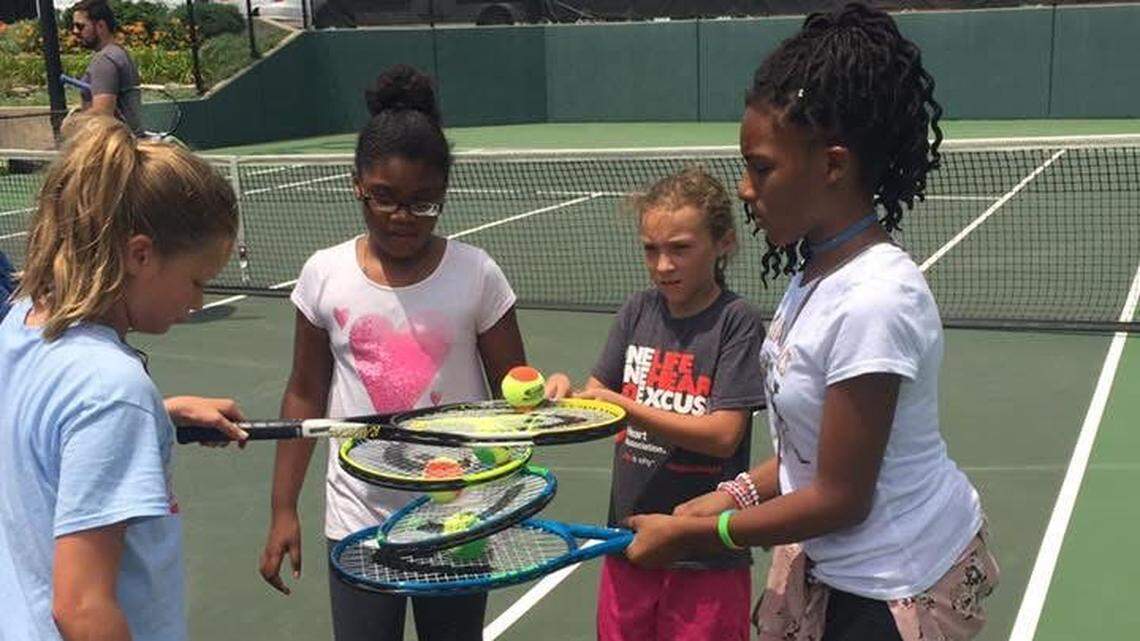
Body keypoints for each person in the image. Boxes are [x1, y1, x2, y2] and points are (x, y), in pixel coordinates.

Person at [620, 5, 999, 641]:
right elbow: (809, 451)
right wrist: (735, 493)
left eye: (761, 166)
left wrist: (698, 532)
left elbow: (841, 497)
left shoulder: (875, 299)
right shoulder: (813, 274)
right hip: (834, 567)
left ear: (833, 165)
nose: (744, 188)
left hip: (896, 585)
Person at [258, 65, 526, 641]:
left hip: (458, 515)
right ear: (357, 183)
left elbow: (514, 395)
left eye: (423, 203)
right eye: (385, 199)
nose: (403, 217)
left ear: (445, 194)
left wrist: (508, 479)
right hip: (358, 516)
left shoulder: (477, 275)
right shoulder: (322, 275)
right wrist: (284, 507)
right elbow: (304, 391)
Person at [0, 116, 247, 641]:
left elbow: (38, 436)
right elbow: (82, 608)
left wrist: (162, 413)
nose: (198, 303)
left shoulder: (20, 324)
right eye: (196, 281)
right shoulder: (112, 390)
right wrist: (133, 413)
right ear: (140, 255)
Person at [546, 166, 766, 641]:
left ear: (724, 243)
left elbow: (723, 435)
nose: (663, 264)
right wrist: (565, 394)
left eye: (680, 248)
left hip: (704, 555)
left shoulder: (736, 322)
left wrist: (625, 406)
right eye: (651, 249)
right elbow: (597, 403)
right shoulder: (637, 311)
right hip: (629, 543)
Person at [70, 0, 144, 136]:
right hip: (127, 142)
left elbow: (102, 117)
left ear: (100, 26)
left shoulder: (104, 60)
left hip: (114, 148)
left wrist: (71, 123)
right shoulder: (120, 53)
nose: (75, 31)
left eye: (80, 26)